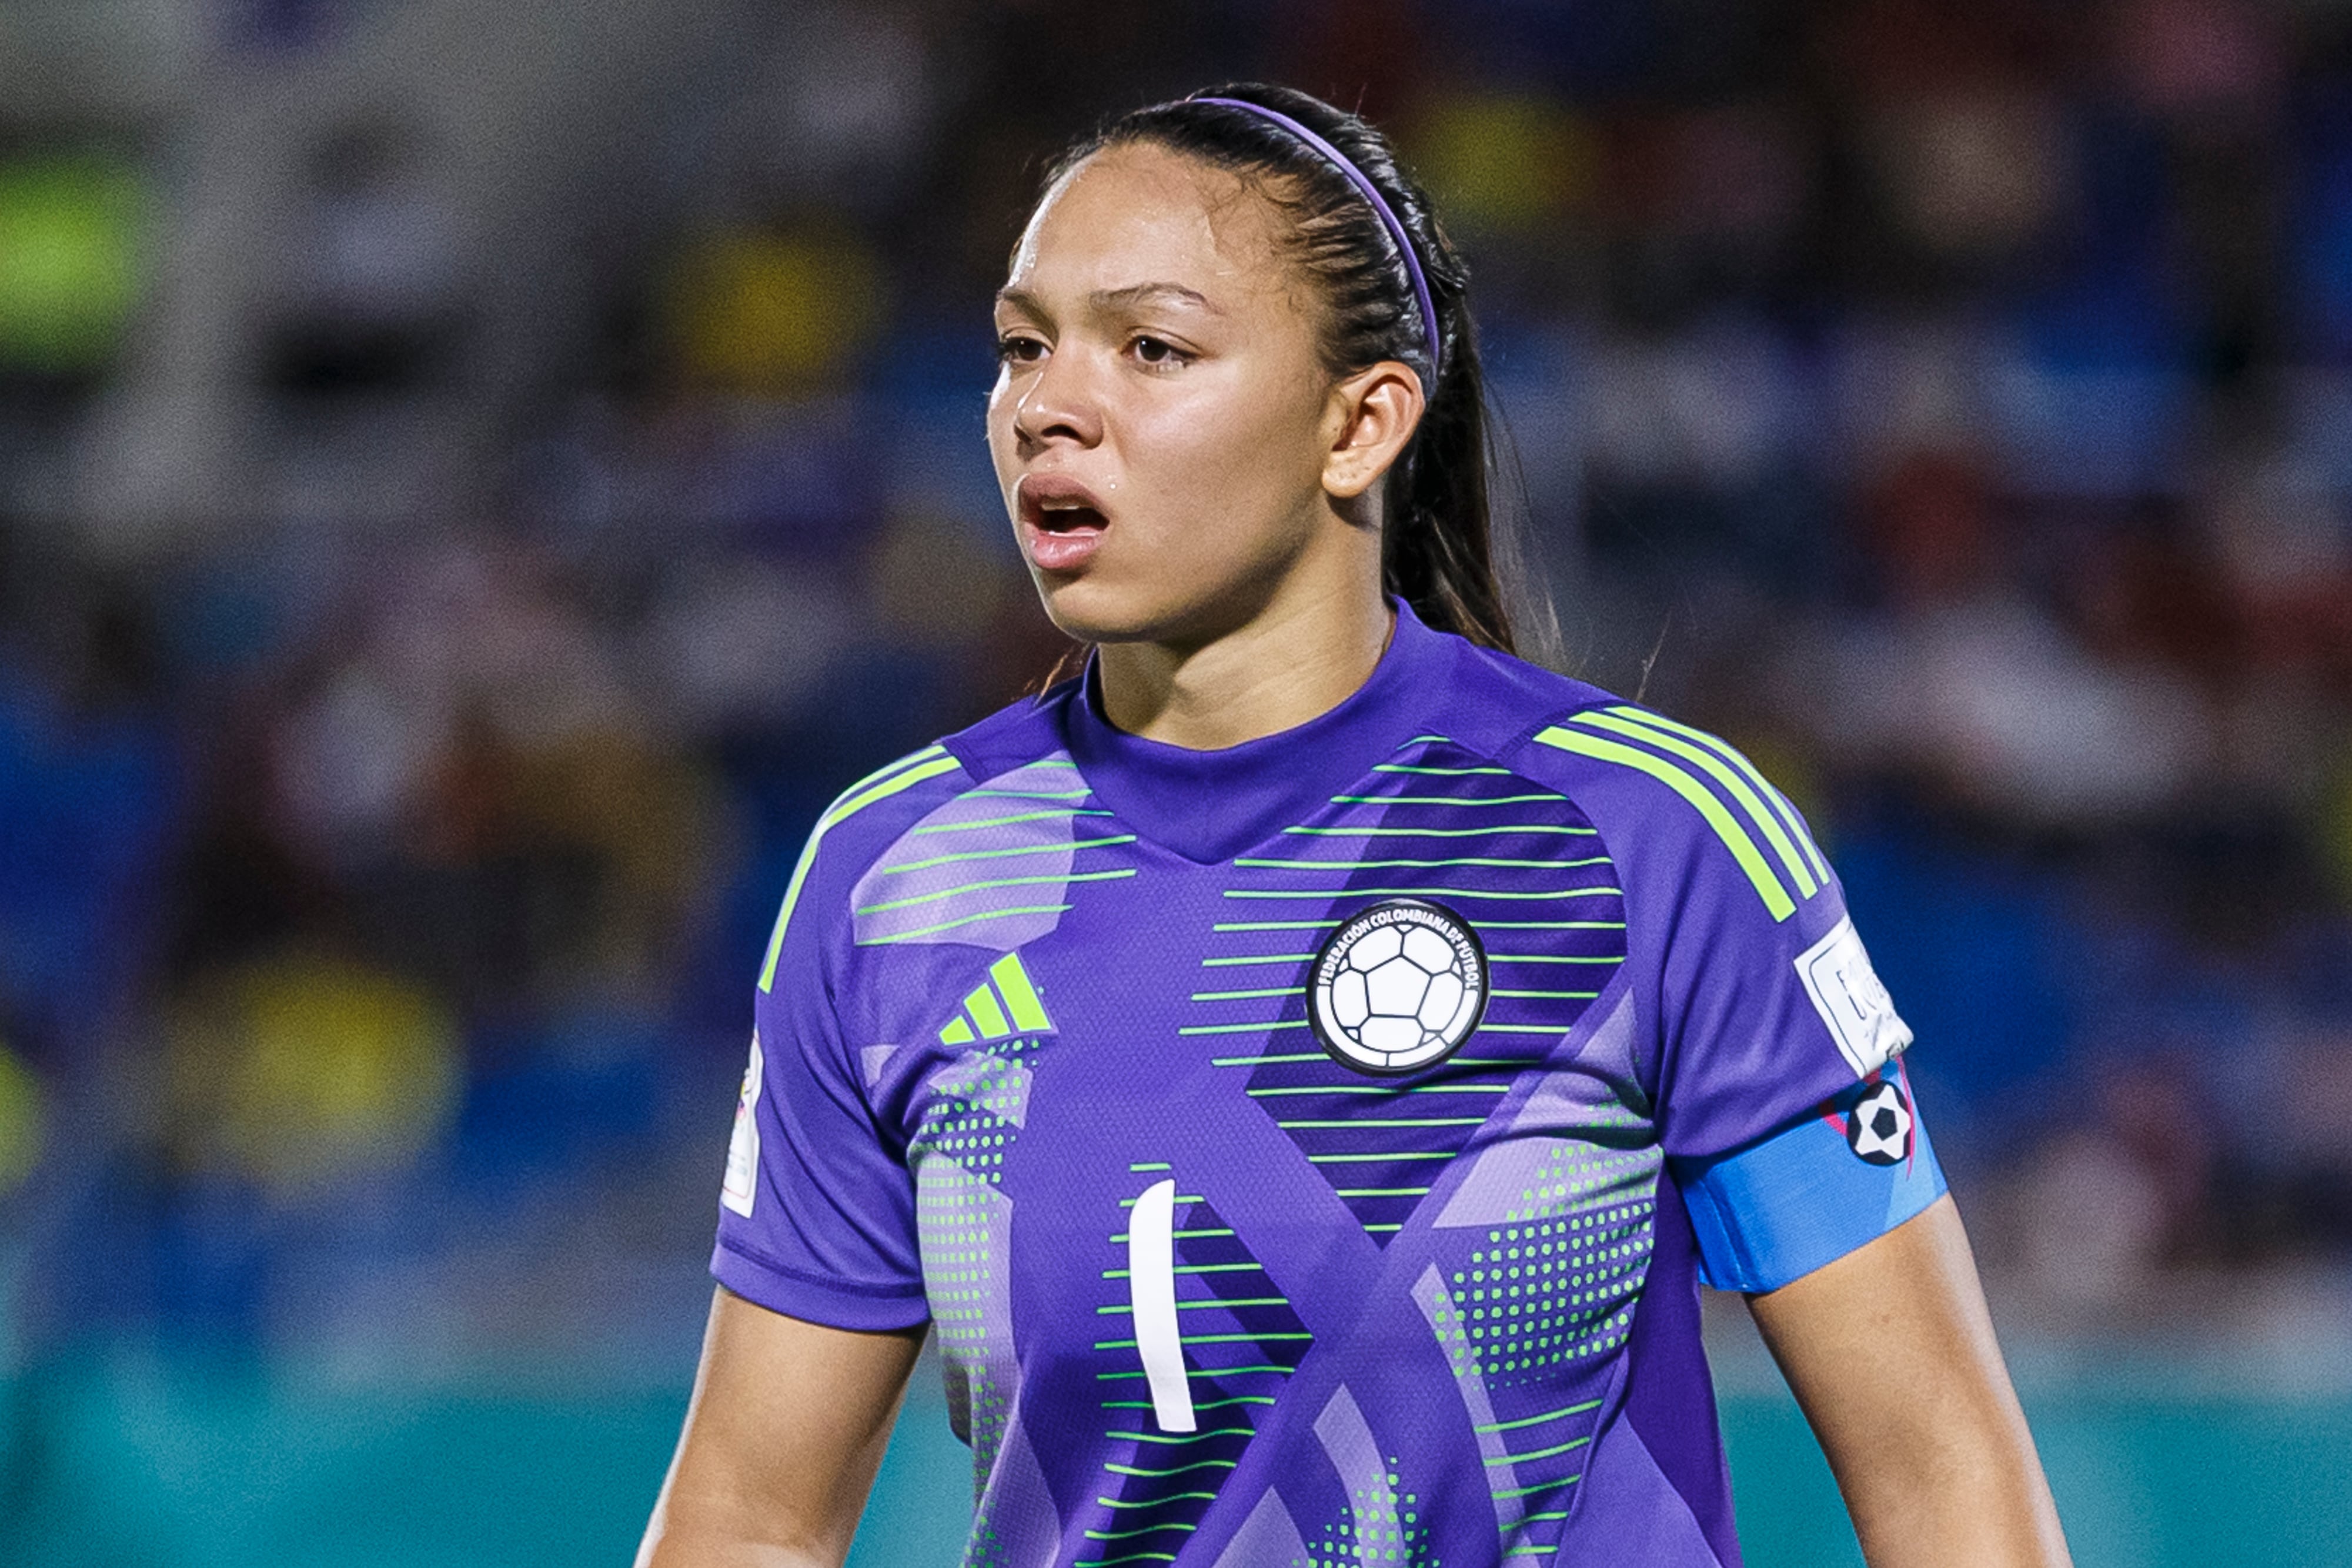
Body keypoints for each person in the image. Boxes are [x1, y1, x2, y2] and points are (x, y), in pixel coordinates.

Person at [639, 83, 2072, 1568]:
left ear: (1361, 422)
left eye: (1150, 347)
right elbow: (747, 1519)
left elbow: (1941, 1473)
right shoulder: (895, 880)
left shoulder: (1647, 841)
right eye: (1021, 345)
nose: (1047, 405)